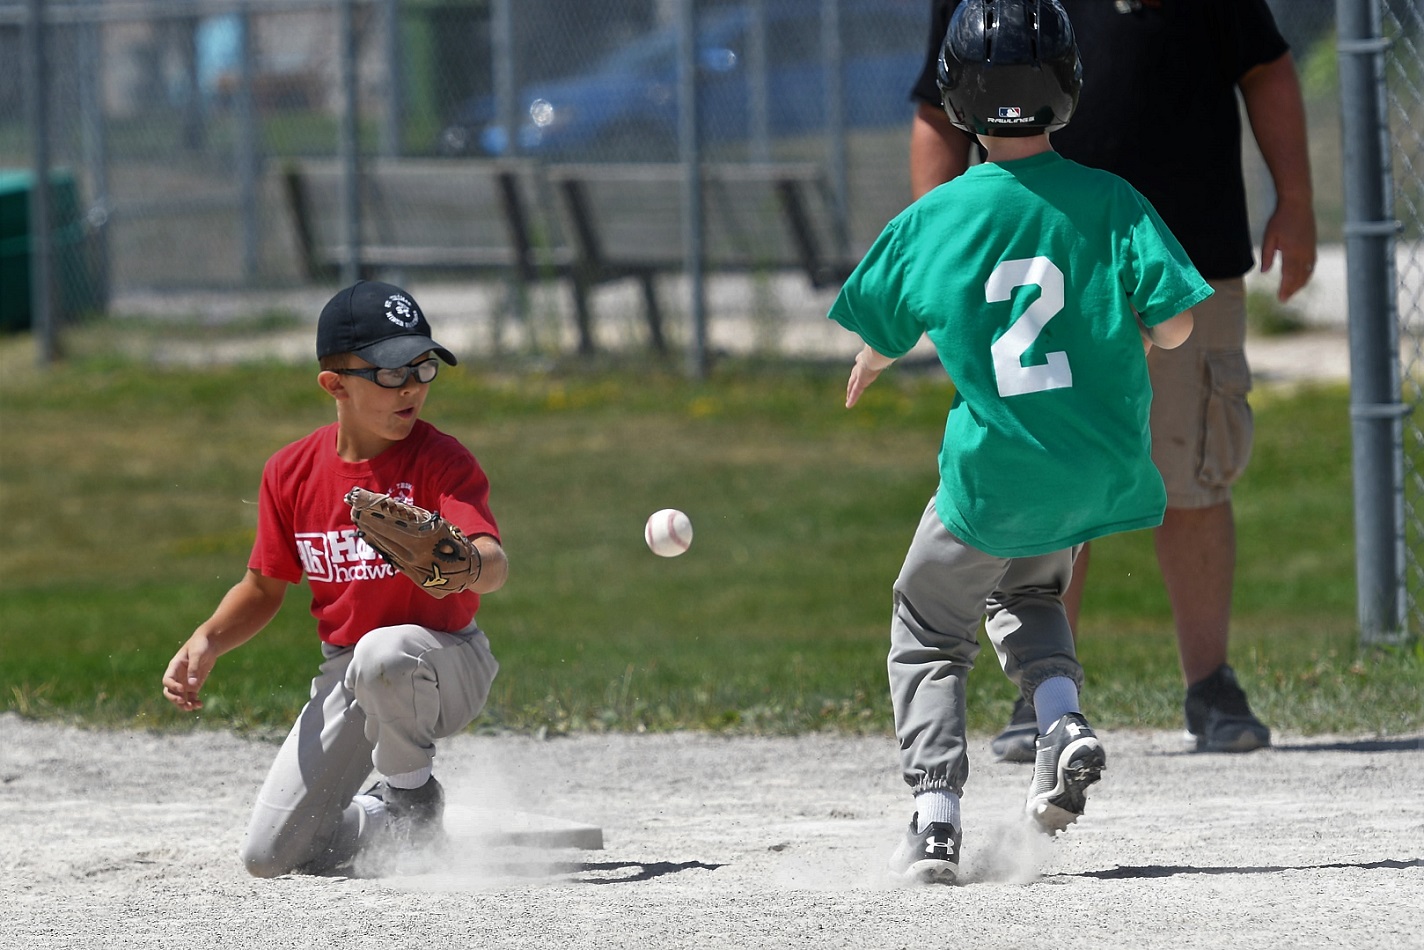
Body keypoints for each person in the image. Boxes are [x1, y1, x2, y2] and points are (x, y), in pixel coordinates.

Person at [830, 0, 1205, 885]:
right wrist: (1137, 329)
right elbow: (1182, 324)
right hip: (1088, 476)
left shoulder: (938, 217)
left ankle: (933, 817)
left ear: (958, 101)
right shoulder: (1112, 200)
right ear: (1067, 88)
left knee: (928, 627)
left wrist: (872, 360)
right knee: (1027, 596)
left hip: (991, 483)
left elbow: (885, 324)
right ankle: (1062, 718)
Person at [909, 0, 1317, 760]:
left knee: (1195, 470)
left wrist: (1294, 202)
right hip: (1026, 268)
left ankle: (1212, 685)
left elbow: (1265, 67)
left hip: (1184, 264)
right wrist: (938, 258)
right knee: (1047, 479)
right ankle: (1045, 697)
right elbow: (938, 108)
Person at [161, 280, 508, 877]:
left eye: (424, 367)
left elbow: (492, 561)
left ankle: (412, 799)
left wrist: (468, 566)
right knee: (272, 856)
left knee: (385, 652)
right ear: (335, 383)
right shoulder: (291, 471)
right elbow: (264, 587)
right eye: (392, 372)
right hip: (348, 673)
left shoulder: (440, 459)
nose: (414, 387)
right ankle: (386, 818)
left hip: (446, 664)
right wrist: (210, 637)